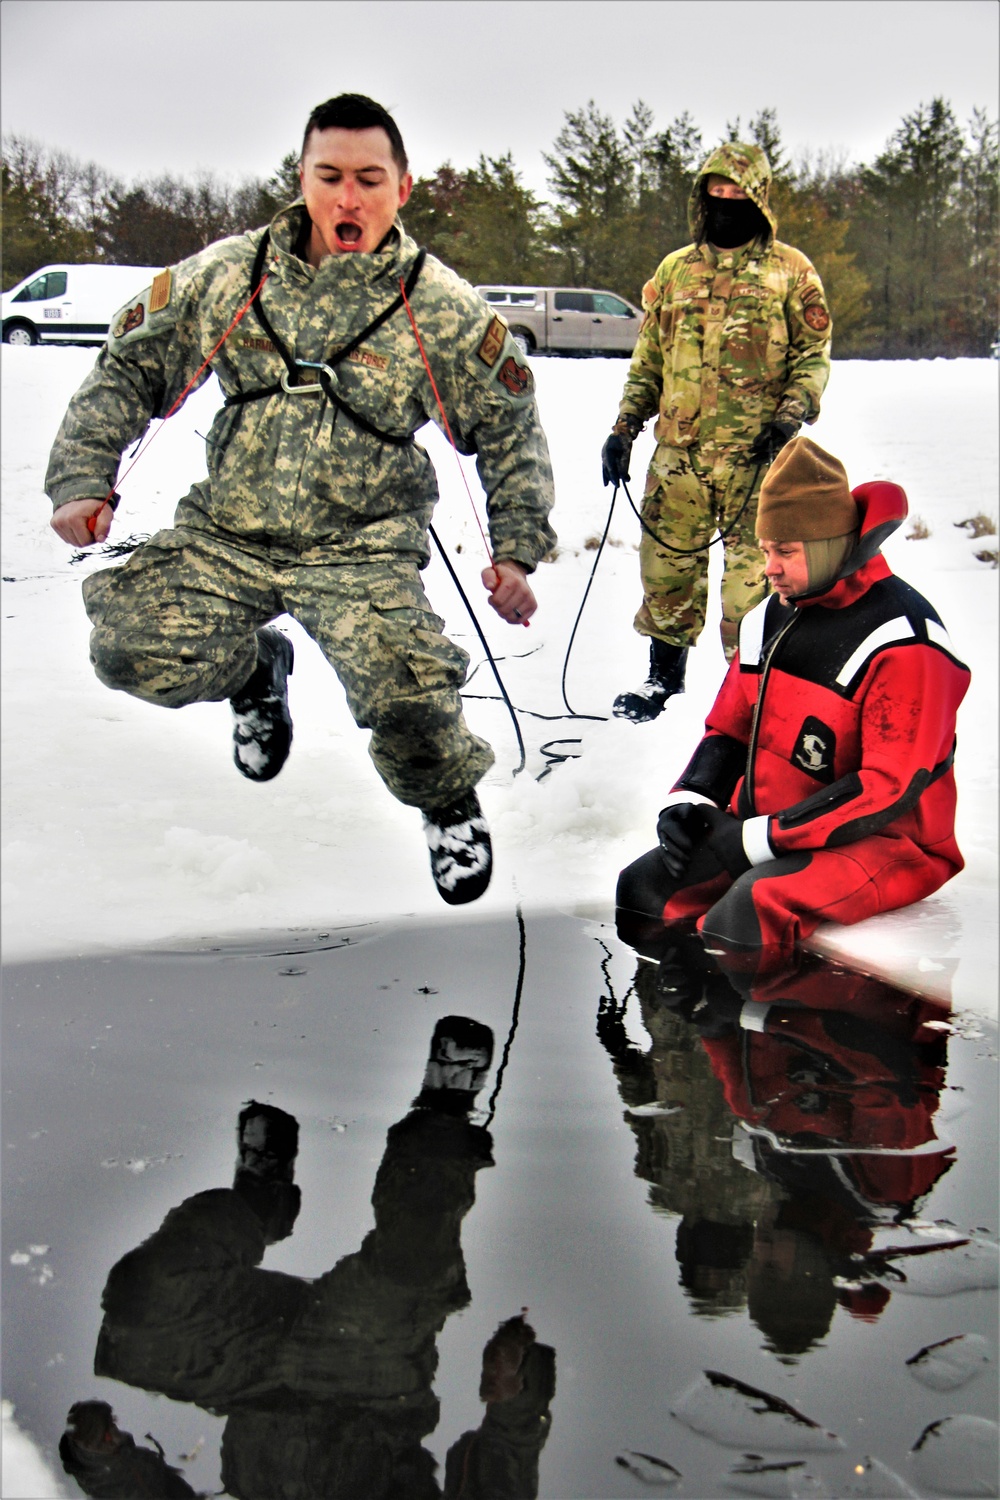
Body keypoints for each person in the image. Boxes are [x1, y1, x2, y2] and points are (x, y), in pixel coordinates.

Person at [45, 93, 556, 905]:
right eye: (330, 177)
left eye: (368, 179)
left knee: (409, 694)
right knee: (128, 649)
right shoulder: (231, 273)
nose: (347, 199)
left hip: (361, 546)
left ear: (403, 187)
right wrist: (82, 475)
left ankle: (446, 803)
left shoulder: (442, 308)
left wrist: (516, 551)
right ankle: (257, 672)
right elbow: (131, 362)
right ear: (304, 177)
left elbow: (510, 430)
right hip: (230, 533)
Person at [616, 437, 970, 964]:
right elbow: (728, 729)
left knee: (747, 914)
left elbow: (886, 789)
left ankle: (766, 1037)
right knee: (642, 890)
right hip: (773, 827)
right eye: (765, 551)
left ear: (829, 545)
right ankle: (686, 1036)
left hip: (888, 842)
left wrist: (759, 839)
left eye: (785, 552)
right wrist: (694, 804)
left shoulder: (906, 641)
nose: (769, 569)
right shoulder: (769, 616)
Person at [601, 141, 832, 721]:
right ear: (702, 196)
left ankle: (753, 693)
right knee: (666, 570)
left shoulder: (790, 270)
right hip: (678, 457)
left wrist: (789, 415)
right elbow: (648, 359)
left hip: (759, 459)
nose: (725, 205)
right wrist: (625, 428)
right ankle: (662, 680)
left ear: (759, 200)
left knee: (754, 584)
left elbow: (813, 354)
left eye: (738, 195)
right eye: (716, 193)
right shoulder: (675, 270)